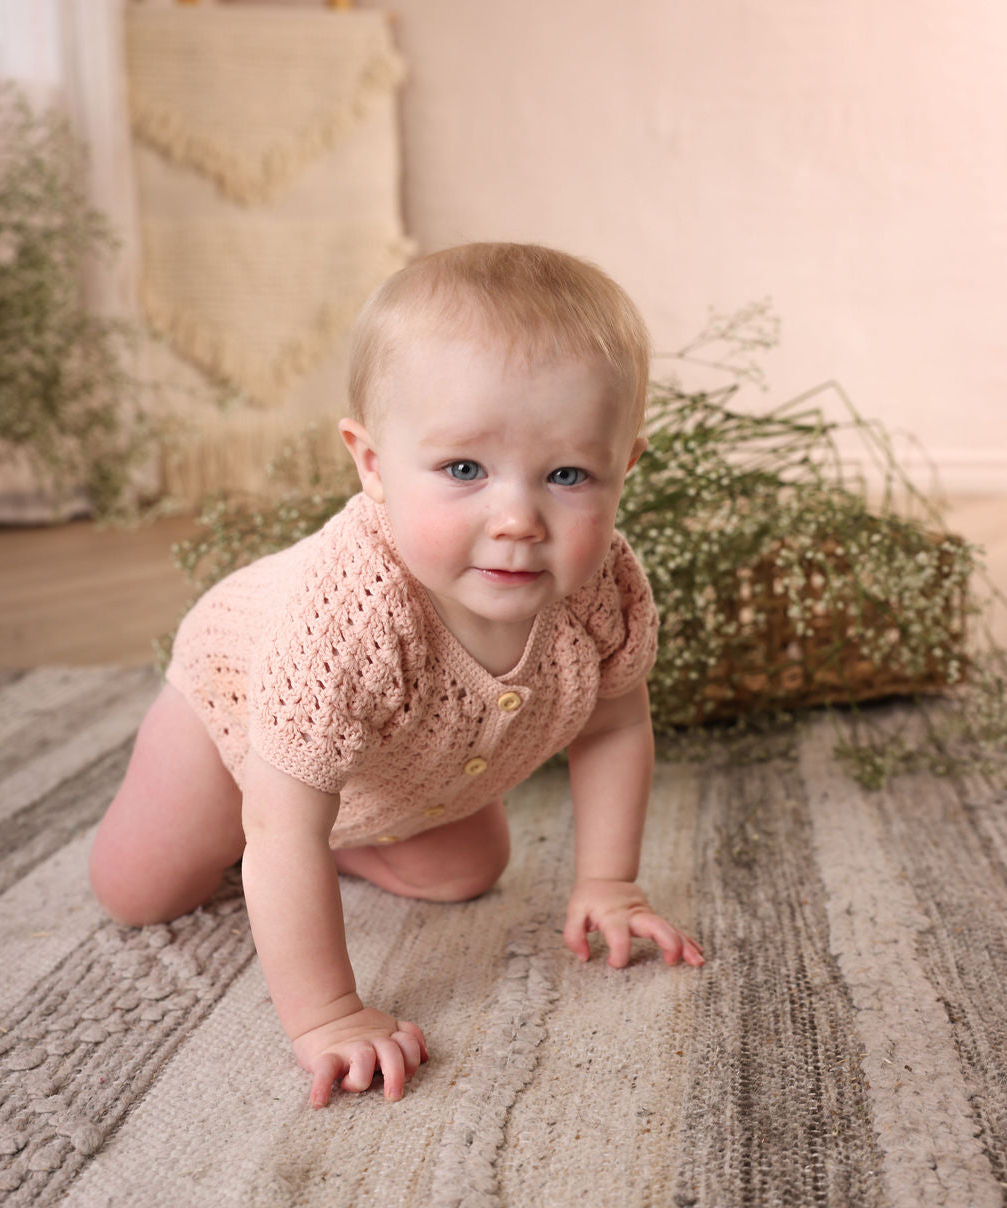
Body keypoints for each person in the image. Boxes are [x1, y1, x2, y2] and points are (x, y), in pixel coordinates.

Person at [89, 242, 704, 1109]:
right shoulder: (346, 622)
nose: (519, 518)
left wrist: (609, 882)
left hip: (399, 764)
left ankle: (336, 832)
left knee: (468, 869)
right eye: (464, 470)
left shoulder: (604, 588)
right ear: (371, 462)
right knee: (141, 889)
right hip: (229, 709)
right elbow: (282, 832)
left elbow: (613, 726)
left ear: (623, 469)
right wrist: (329, 1015)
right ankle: (285, 822)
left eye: (568, 475)